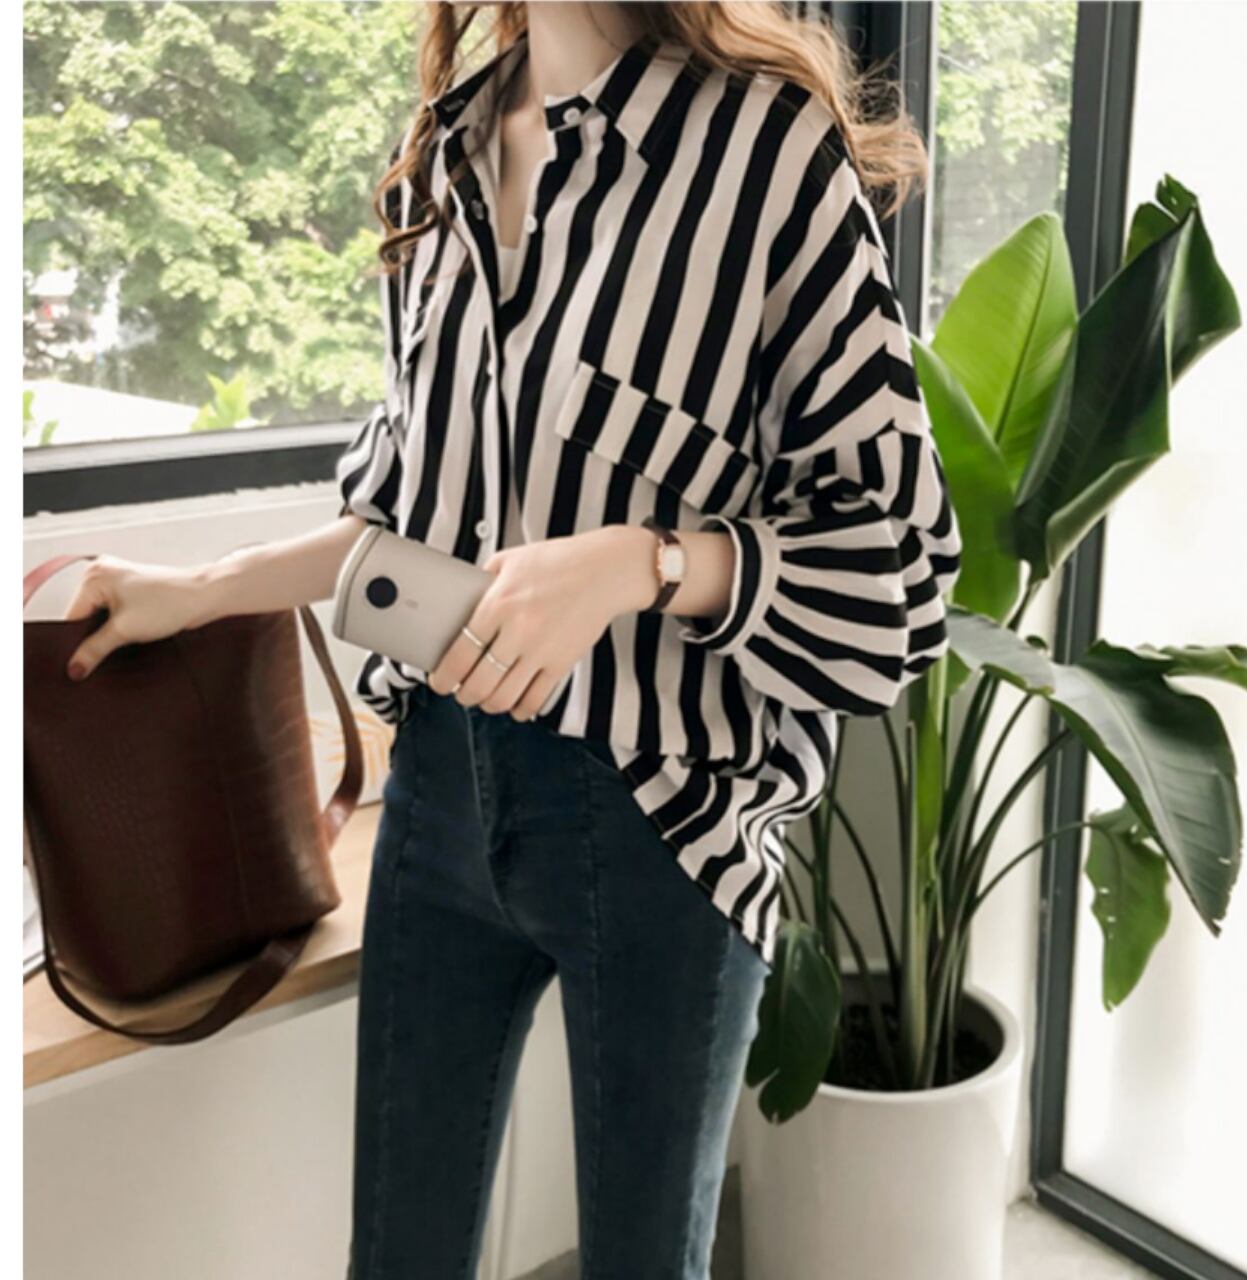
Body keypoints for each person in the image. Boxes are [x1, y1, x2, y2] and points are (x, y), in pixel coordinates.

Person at [60, 2, 962, 1276]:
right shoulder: (445, 154)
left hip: (661, 820)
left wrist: (642, 564)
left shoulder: (766, 155)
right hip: (439, 788)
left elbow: (901, 576)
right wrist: (200, 587)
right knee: (399, 1254)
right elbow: (406, 520)